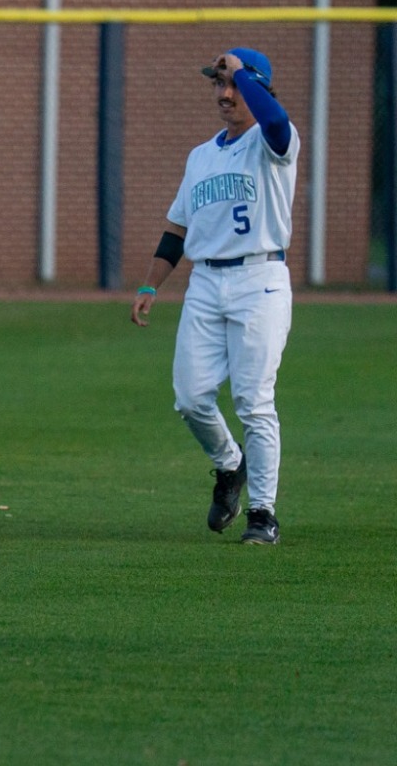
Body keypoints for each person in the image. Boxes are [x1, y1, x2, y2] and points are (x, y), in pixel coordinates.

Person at [131, 48, 297, 546]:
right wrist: (150, 284)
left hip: (260, 278)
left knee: (253, 400)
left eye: (232, 85)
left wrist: (244, 74)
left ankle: (263, 513)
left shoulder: (273, 141)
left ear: (255, 88)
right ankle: (230, 465)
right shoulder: (201, 156)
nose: (224, 93)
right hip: (205, 283)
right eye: (218, 84)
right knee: (190, 397)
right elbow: (177, 229)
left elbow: (276, 121)